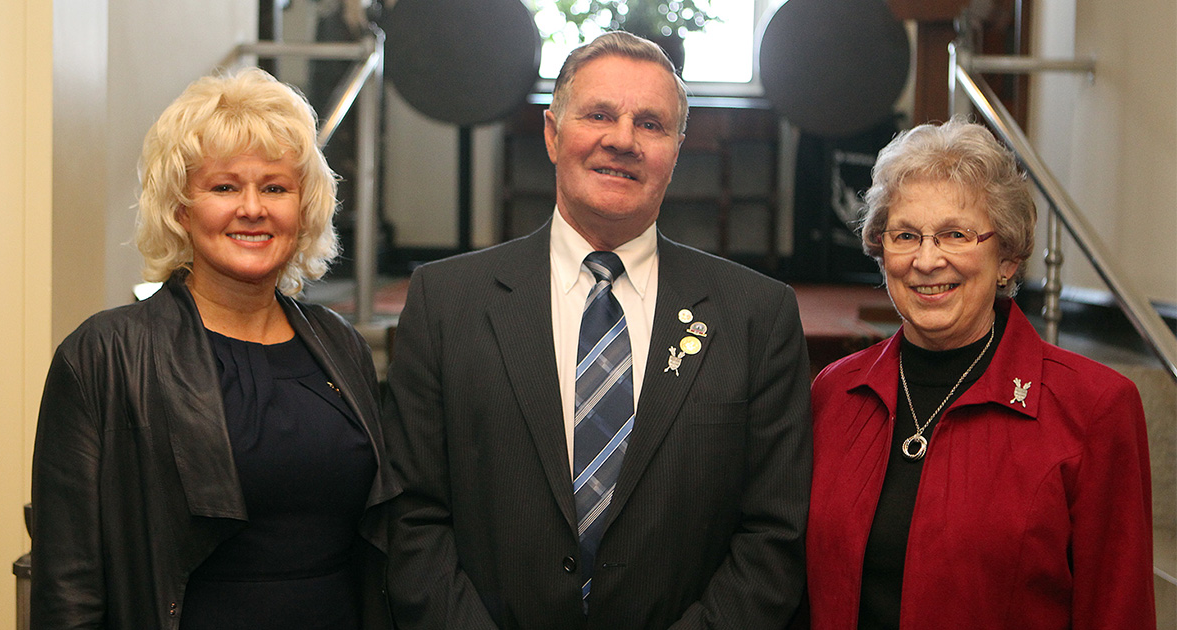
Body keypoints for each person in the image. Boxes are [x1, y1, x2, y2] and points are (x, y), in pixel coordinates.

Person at [383, 31, 812, 629]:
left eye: (651, 124)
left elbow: (774, 534)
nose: (622, 140)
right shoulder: (446, 303)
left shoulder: (756, 316)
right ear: (553, 134)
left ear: (677, 149)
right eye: (600, 115)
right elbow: (412, 517)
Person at [30, 68, 398, 630]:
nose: (252, 209)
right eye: (224, 187)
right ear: (181, 208)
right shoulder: (104, 356)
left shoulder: (339, 344)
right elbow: (68, 584)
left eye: (275, 187)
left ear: (303, 209)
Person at [806, 118, 1155, 629]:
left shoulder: (1095, 408)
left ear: (1008, 258)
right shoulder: (835, 392)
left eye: (956, 234)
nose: (927, 260)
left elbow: (1117, 609)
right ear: (882, 251)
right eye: (905, 235)